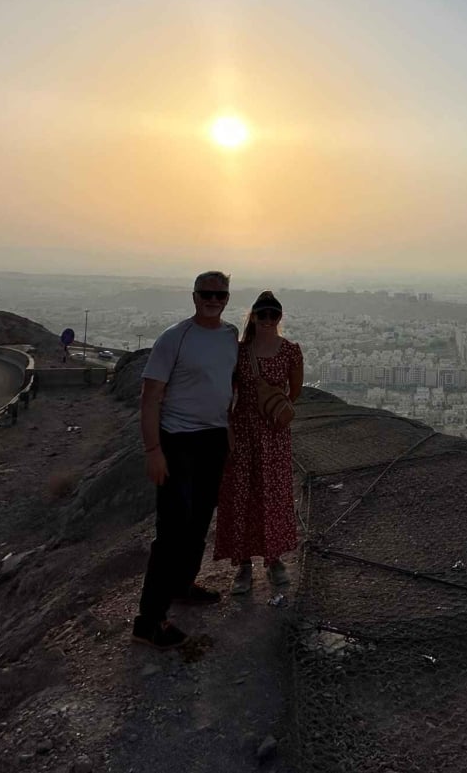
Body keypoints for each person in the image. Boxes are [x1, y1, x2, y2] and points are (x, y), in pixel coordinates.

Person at [131, 271, 240, 649]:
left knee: (198, 520)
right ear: (194, 296)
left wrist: (226, 430)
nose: (213, 299)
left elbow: (224, 388)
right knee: (173, 530)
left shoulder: (230, 336)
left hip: (212, 439)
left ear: (227, 298)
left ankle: (182, 585)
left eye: (220, 294)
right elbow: (149, 398)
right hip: (177, 441)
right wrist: (153, 450)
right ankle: (149, 621)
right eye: (207, 294)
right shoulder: (174, 338)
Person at [215, 290, 303, 592]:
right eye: (262, 314)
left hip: (274, 434)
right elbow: (228, 390)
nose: (267, 320)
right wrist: (228, 426)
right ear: (253, 316)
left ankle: (273, 559)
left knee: (273, 495)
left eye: (273, 315)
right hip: (243, 429)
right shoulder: (240, 352)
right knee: (242, 494)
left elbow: (295, 390)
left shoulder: (290, 351)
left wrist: (276, 410)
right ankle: (242, 565)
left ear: (279, 318)